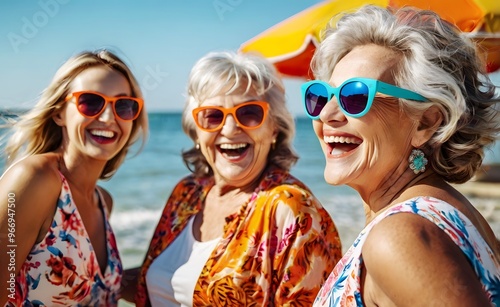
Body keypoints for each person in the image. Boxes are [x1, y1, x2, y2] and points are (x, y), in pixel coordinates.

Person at [300, 5, 500, 306]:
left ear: (426, 122)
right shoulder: (453, 213)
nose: (327, 114)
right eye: (321, 96)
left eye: (355, 96)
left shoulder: (399, 237)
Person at [121, 50, 342, 306]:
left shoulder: (292, 209)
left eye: (249, 112)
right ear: (196, 131)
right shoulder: (187, 193)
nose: (229, 129)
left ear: (274, 127)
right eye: (213, 116)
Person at [0, 49, 148, 306]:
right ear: (59, 113)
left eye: (123, 106)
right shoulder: (34, 180)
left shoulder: (104, 202)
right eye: (91, 102)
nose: (108, 117)